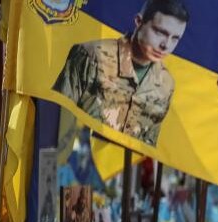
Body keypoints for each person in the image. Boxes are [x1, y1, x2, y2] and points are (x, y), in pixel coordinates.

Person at [52, 0, 189, 145]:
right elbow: (55, 118)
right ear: (139, 21)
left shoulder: (165, 84)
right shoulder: (91, 55)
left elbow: (149, 145)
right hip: (75, 161)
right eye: (160, 32)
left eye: (175, 38)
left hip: (124, 166)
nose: (166, 45)